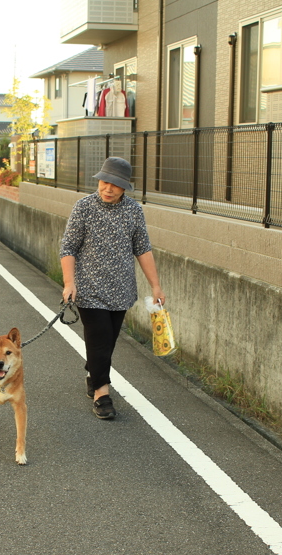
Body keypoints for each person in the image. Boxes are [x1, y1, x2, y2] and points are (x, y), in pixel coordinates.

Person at [60, 157, 166, 419]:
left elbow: (143, 249)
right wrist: (69, 282)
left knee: (107, 342)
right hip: (89, 289)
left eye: (115, 185)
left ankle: (93, 373)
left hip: (121, 290)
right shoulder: (83, 207)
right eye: (104, 182)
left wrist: (156, 286)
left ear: (125, 187)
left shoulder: (133, 211)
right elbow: (68, 247)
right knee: (98, 341)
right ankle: (101, 394)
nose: (108, 189)